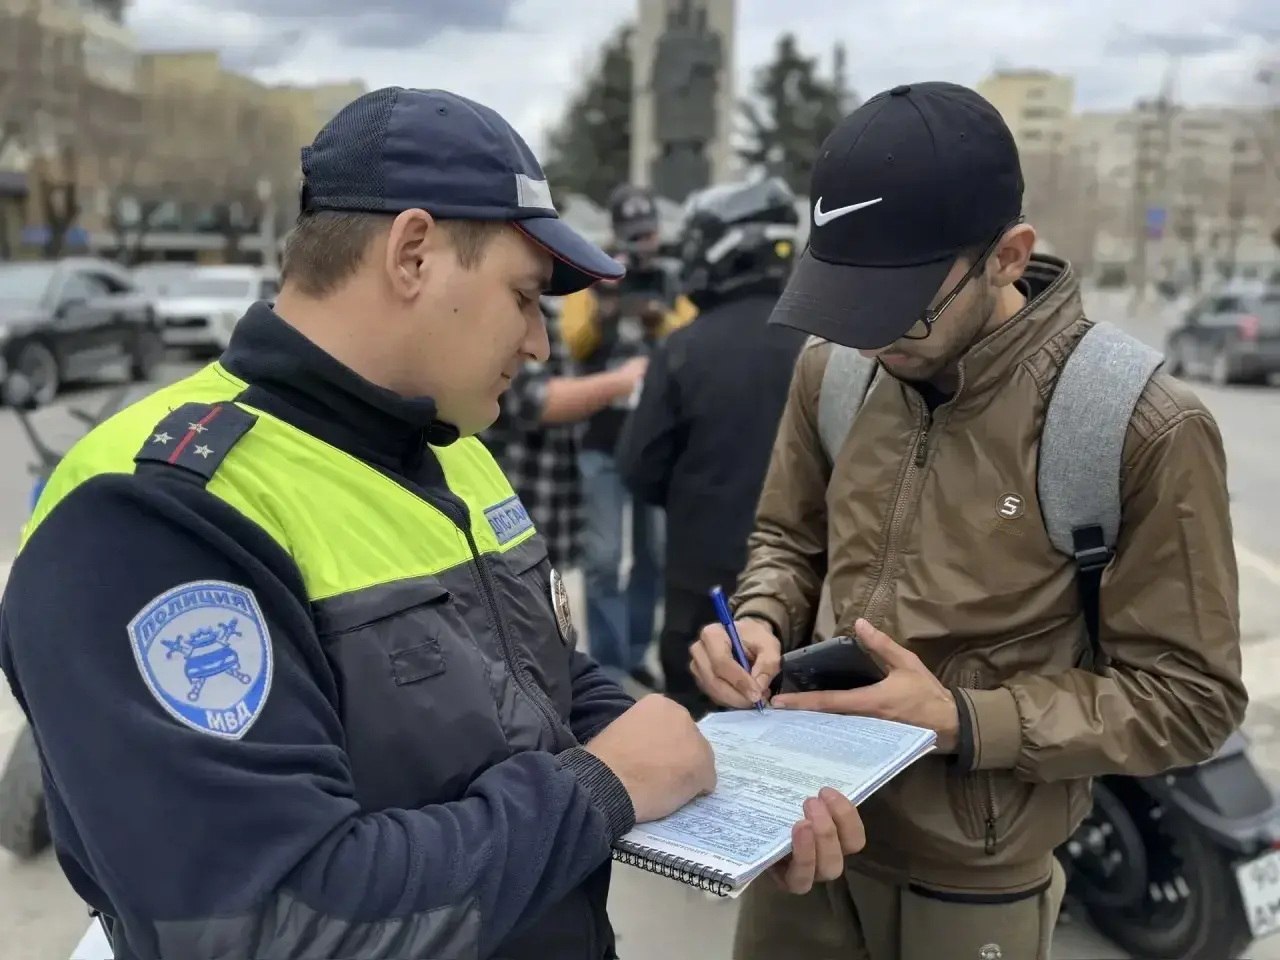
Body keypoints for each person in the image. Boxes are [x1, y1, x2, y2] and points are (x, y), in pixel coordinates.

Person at [0, 87, 864, 960]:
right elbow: (263, 923)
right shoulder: (154, 510)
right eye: (525, 297)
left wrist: (727, 790)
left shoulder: (451, 446)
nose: (537, 343)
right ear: (412, 253)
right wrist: (604, 787)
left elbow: (541, 686)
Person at [690, 81, 1247, 960]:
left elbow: (1191, 701)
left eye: (900, 309)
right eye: (844, 304)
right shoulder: (831, 374)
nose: (870, 342)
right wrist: (758, 619)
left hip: (971, 876)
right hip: (799, 829)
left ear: (1008, 256)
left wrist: (958, 718)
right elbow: (788, 542)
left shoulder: (1136, 425)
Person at [616, 178, 807, 717]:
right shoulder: (830, 348)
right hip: (806, 607)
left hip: (705, 601)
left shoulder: (683, 350)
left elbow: (638, 466)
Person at [560, 185, 695, 687]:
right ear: (616, 234)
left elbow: (690, 335)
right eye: (632, 236)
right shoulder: (593, 280)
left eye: (648, 234)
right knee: (604, 559)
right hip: (602, 439)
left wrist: (662, 318)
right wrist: (607, 306)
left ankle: (638, 653)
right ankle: (609, 666)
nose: (643, 245)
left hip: (654, 440)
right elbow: (575, 341)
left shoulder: (670, 277)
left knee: (653, 555)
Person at [482, 297, 648, 571]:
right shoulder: (510, 307)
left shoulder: (557, 309)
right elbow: (535, 401)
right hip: (518, 493)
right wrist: (621, 381)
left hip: (555, 491)